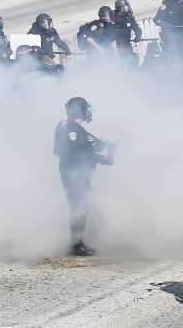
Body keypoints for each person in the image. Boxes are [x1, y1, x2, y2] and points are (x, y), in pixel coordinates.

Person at [54, 97, 114, 256]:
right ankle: (76, 245)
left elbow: (83, 149)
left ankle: (81, 241)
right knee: (78, 207)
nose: (88, 112)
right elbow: (75, 153)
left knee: (82, 206)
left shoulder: (73, 127)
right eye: (84, 109)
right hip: (73, 173)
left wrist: (100, 146)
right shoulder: (70, 128)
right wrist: (102, 158)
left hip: (76, 172)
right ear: (77, 111)